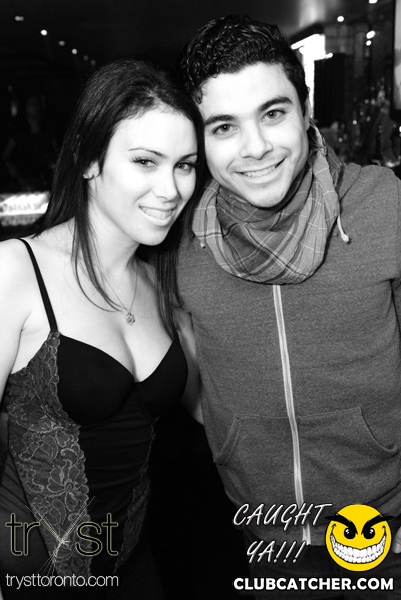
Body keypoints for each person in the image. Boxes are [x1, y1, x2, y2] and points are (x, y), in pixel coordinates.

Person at [177, 14, 401, 598]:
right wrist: (234, 436)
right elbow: (193, 384)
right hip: (264, 537)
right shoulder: (180, 241)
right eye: (224, 126)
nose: (255, 147)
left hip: (385, 533)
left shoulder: (384, 205)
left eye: (272, 114)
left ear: (305, 110)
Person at [0, 57, 203, 599]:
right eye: (145, 161)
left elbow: (213, 409)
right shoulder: (16, 270)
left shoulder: (162, 281)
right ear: (90, 160)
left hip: (133, 567)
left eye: (185, 165)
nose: (170, 189)